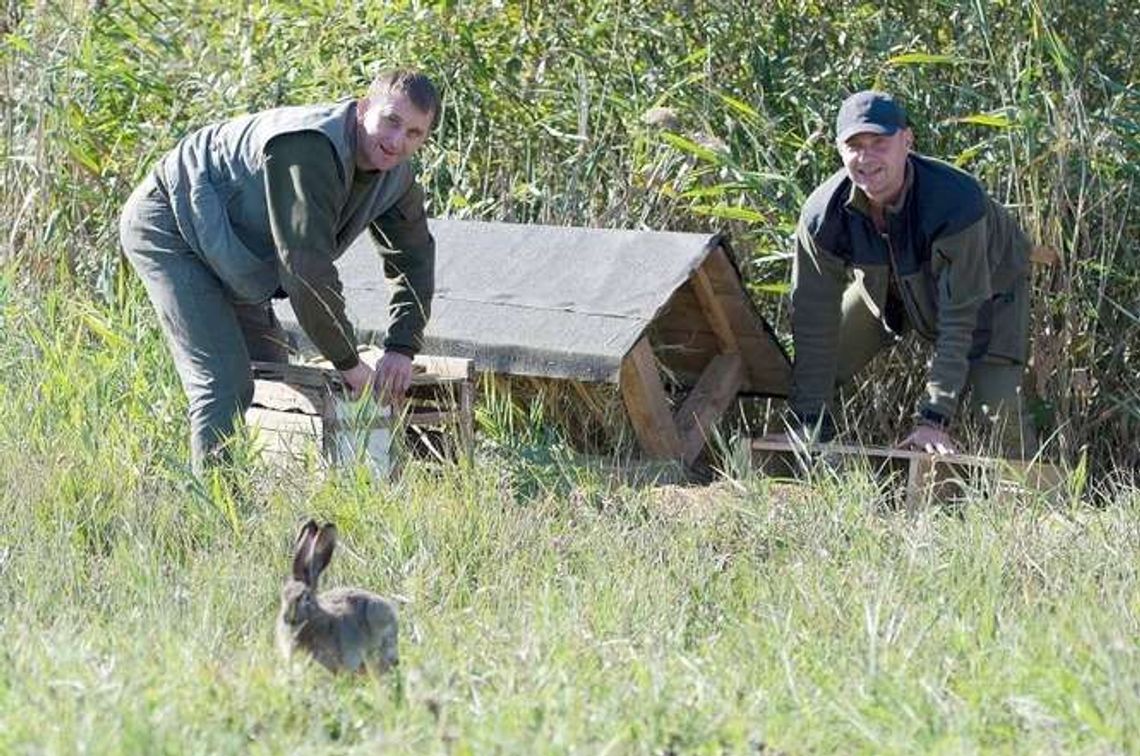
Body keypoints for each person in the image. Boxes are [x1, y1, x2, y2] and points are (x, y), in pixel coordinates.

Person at [120, 69, 440, 471]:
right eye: (391, 121)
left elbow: (413, 258)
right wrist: (349, 364)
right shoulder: (309, 147)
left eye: (414, 133)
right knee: (225, 384)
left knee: (273, 373)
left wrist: (401, 347)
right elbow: (305, 270)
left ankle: (274, 489)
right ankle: (216, 518)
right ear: (362, 110)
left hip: (236, 250)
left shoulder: (397, 177)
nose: (397, 141)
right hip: (174, 224)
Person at [788, 90, 1036, 457]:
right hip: (888, 291)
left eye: (879, 143)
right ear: (838, 149)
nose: (866, 157)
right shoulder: (822, 217)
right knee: (817, 373)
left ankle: (1040, 502)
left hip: (988, 298)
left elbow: (960, 317)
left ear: (907, 141)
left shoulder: (956, 202)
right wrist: (810, 422)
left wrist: (933, 419)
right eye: (854, 145)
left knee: (1000, 421)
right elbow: (812, 320)